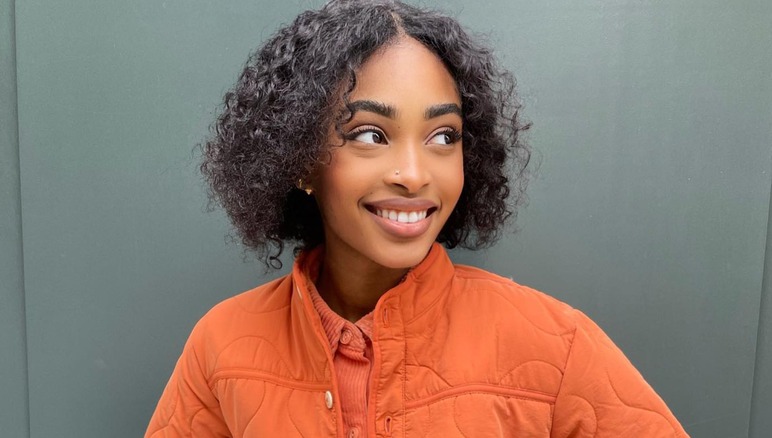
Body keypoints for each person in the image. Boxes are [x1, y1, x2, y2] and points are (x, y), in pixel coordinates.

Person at [146, 0, 688, 436]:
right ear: (301, 160)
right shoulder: (222, 345)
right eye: (370, 134)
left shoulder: (556, 346)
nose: (413, 173)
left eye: (443, 137)